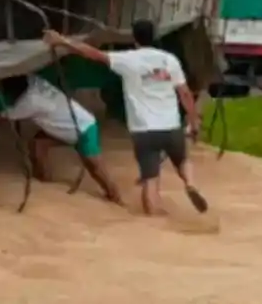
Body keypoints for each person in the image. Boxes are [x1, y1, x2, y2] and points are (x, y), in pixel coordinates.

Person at [42, 20, 207, 215]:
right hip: (170, 126)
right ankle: (189, 183)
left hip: (143, 131)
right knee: (183, 161)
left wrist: (62, 41)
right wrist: (193, 120)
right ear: (154, 35)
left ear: (134, 38)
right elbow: (185, 93)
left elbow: (91, 53)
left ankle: (153, 221)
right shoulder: (169, 60)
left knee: (150, 179)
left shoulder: (127, 59)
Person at [0, 74, 123, 205]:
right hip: (63, 128)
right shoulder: (34, 80)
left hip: (83, 129)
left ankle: (115, 198)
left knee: (96, 169)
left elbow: (1, 119)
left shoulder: (30, 102)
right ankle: (44, 182)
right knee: (37, 145)